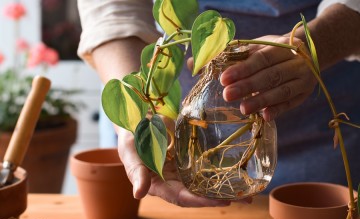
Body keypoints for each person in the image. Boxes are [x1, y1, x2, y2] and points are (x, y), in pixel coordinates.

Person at [77, 0, 360, 207]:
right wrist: (139, 114)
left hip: (326, 99)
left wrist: (312, 46)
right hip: (173, 132)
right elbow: (111, 11)